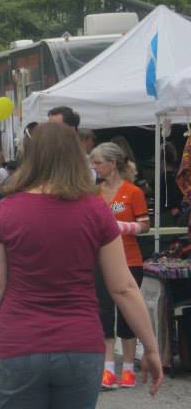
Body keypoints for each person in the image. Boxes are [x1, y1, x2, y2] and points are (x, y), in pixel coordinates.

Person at [0, 122, 163, 408]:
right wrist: (150, 347)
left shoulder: (7, 210)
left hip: (21, 343)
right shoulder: (95, 210)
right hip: (80, 343)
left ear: (32, 156)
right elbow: (123, 287)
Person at [91, 142, 149, 390]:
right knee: (104, 313)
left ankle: (127, 368)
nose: (94, 167)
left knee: (127, 314)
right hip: (101, 261)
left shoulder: (133, 192)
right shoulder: (93, 193)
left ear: (112, 164)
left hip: (130, 260)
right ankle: (107, 368)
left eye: (98, 162)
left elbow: (145, 225)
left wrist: (124, 227)